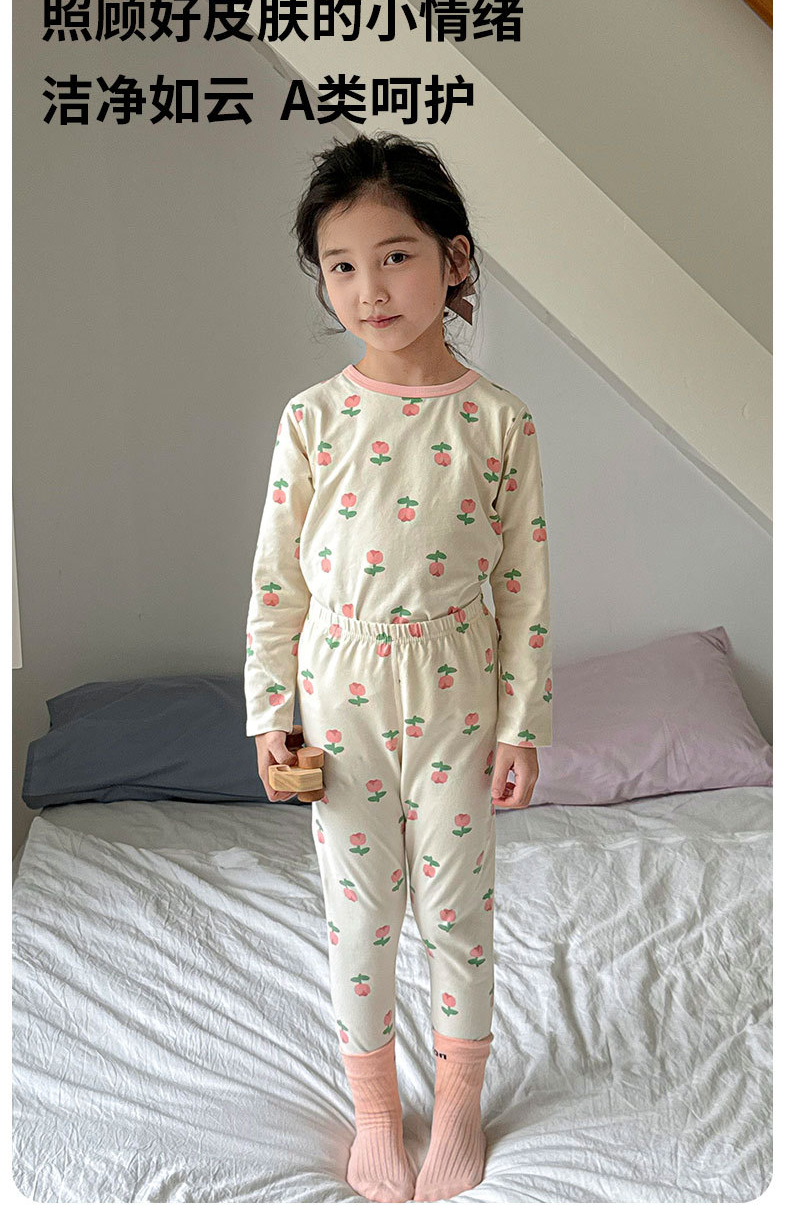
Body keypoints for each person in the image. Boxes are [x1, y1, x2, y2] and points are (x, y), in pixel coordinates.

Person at [244, 131, 553, 1202]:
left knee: (457, 911)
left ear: (452, 259)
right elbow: (277, 581)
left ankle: (457, 1103)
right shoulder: (313, 418)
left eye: (395, 255)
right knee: (359, 912)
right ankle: (377, 1110)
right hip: (339, 693)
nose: (368, 288)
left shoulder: (499, 421)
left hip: (458, 687)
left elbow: (523, 589)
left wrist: (521, 725)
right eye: (340, 265)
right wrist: (270, 709)